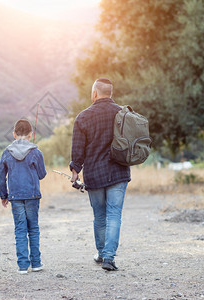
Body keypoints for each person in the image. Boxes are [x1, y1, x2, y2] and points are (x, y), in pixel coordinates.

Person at [70, 78, 131, 271]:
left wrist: (75, 172)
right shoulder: (124, 114)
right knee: (114, 215)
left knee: (99, 216)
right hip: (119, 171)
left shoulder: (83, 117)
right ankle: (109, 258)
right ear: (111, 93)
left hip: (95, 174)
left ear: (95, 93)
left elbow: (78, 149)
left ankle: (102, 253)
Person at [0, 119, 47, 274]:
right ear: (31, 135)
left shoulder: (7, 152)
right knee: (33, 228)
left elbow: (0, 176)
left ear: (14, 134)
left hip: (15, 196)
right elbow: (42, 174)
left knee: (20, 229)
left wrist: (3, 195)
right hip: (32, 195)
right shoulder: (36, 152)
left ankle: (23, 266)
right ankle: (36, 263)